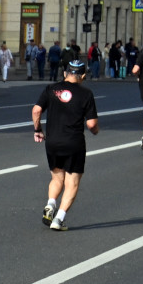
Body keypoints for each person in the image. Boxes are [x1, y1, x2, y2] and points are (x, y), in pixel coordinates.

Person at [32, 56, 99, 231]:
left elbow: (36, 110)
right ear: (83, 76)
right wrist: (95, 131)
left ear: (65, 73)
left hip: (52, 142)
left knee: (56, 177)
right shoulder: (86, 94)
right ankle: (58, 219)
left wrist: (38, 130)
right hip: (74, 143)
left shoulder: (52, 89)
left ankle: (50, 204)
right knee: (72, 181)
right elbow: (91, 124)